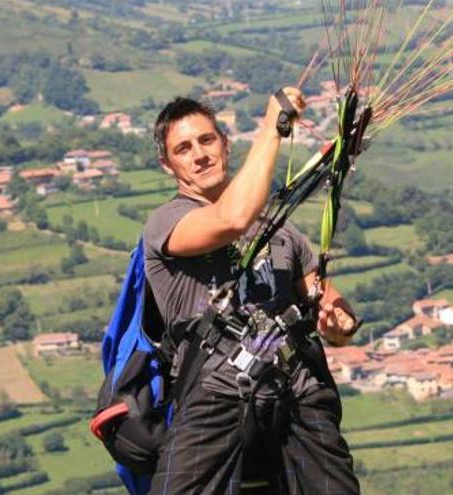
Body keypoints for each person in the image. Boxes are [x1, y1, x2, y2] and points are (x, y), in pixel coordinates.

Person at [142, 88, 361, 494]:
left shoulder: (281, 233)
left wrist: (339, 322)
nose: (200, 155)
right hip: (215, 395)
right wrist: (272, 129)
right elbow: (231, 219)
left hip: (297, 391)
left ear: (225, 144)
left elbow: (326, 300)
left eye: (207, 140)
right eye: (184, 149)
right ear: (168, 165)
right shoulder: (168, 224)